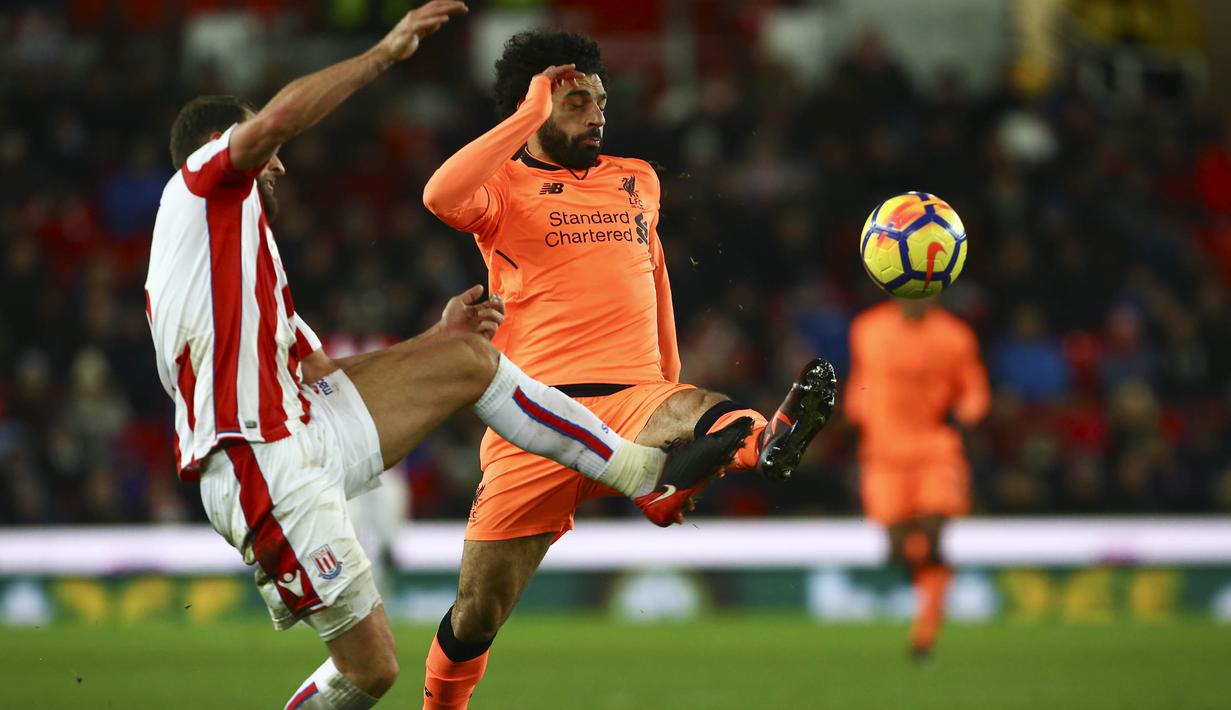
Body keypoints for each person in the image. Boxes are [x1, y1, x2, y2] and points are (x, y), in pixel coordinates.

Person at [144, 6, 748, 708]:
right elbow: (277, 122)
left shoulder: (243, 253)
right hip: (254, 456)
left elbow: (321, 376)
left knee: (468, 359)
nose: (277, 164)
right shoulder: (198, 187)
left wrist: (436, 341)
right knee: (371, 671)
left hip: (301, 426)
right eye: (261, 150)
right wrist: (385, 52)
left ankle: (642, 474)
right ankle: (642, 474)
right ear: (222, 144)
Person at [418, 29, 838, 709]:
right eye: (578, 101)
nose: (597, 114)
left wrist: (667, 377)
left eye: (601, 100)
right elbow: (439, 195)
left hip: (633, 396)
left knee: (710, 408)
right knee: (476, 616)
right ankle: (442, 704)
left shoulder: (635, 177)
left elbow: (655, 275)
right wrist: (526, 114)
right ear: (533, 107)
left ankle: (765, 444)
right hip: (534, 419)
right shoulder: (498, 188)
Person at [845, 297, 990, 660]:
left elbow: (974, 390)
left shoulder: (956, 336)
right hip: (883, 455)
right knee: (899, 547)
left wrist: (968, 412)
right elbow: (861, 383)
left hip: (935, 451)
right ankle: (926, 600)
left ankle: (925, 634)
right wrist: (855, 410)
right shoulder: (867, 329)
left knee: (931, 532)